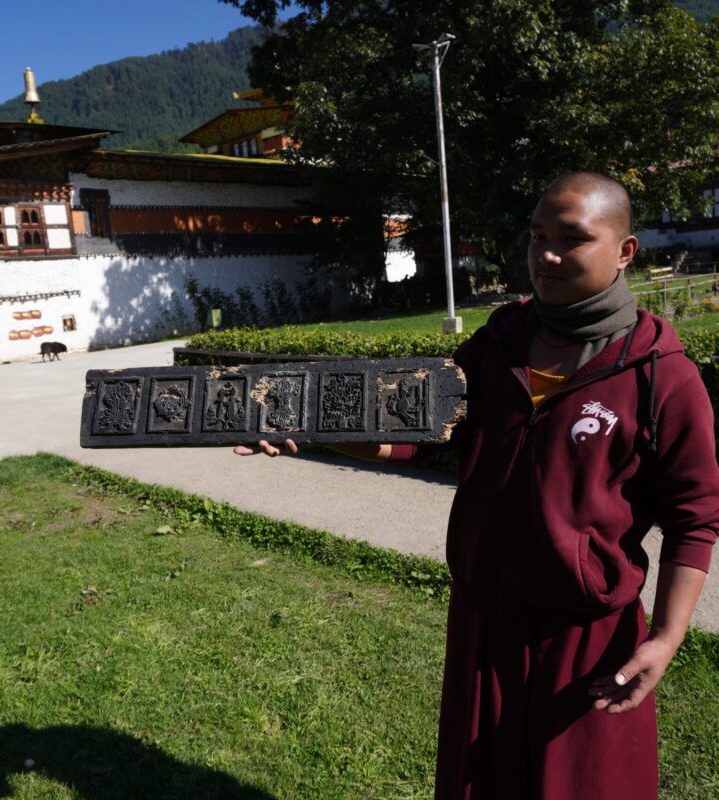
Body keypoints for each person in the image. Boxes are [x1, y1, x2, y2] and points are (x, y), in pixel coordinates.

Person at [235, 172, 719, 799]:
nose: (545, 254)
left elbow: (696, 518)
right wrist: (312, 427)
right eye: (537, 235)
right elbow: (415, 435)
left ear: (625, 251)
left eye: (571, 239)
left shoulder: (662, 375)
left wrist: (667, 635)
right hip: (483, 621)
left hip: (584, 641)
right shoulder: (498, 344)